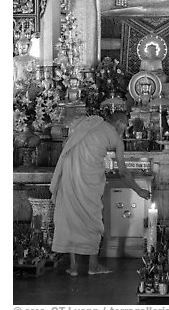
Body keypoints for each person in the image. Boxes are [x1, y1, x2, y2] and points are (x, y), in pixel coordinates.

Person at [50, 112, 151, 276]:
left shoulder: (86, 124)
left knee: (70, 218)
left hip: (70, 176)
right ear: (119, 123)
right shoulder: (116, 139)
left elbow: (67, 144)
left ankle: (74, 267)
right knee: (92, 218)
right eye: (125, 125)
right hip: (89, 182)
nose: (126, 129)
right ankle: (93, 265)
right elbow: (123, 172)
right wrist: (139, 190)